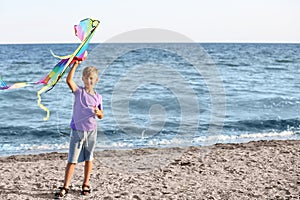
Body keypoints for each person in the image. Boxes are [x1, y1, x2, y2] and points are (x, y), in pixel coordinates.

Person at [55, 61, 104, 198]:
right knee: (72, 160)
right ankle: (66, 186)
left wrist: (98, 112)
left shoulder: (98, 97)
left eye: (91, 78)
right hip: (77, 131)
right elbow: (68, 80)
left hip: (91, 131)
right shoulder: (79, 92)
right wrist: (75, 64)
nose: (89, 81)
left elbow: (101, 115)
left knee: (89, 158)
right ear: (82, 79)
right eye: (86, 78)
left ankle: (86, 184)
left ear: (96, 80)